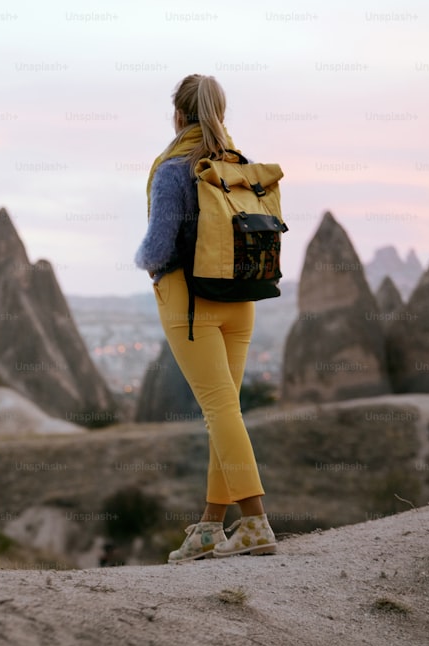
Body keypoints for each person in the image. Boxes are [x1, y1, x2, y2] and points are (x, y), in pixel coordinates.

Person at [134, 74, 277, 563]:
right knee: (226, 412)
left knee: (219, 412)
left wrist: (146, 266)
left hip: (191, 302)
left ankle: (255, 522)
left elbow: (158, 243)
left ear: (178, 114)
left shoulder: (175, 167)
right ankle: (211, 527)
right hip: (243, 297)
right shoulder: (238, 166)